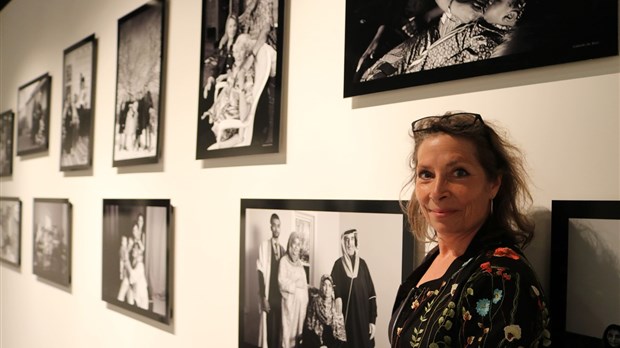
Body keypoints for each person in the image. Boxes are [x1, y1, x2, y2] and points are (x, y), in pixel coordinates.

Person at [388, 112, 551, 347]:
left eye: (459, 173)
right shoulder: (440, 255)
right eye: (426, 174)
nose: (436, 191)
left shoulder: (499, 278)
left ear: (493, 183)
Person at [362, 0, 526, 81]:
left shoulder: (484, 44)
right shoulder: (476, 20)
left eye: (494, 1)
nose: (486, 0)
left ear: (510, 16)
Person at [330, 229, 377, 348]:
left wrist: (372, 320)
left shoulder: (363, 264)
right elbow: (332, 288)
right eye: (346, 240)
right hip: (347, 322)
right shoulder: (338, 265)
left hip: (363, 320)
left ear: (355, 241)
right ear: (343, 243)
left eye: (352, 239)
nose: (349, 243)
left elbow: (371, 294)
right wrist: (338, 297)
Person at [257, 213, 286, 348]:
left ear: (280, 228)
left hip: (279, 297)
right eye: (274, 225)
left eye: (278, 225)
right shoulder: (264, 246)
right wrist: (263, 297)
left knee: (278, 331)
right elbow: (260, 272)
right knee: (269, 330)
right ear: (270, 227)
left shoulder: (282, 250)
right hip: (269, 295)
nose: (276, 228)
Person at [279, 231, 309, 348]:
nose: (296, 247)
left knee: (298, 338)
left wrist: (304, 300)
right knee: (287, 337)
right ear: (290, 245)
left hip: (300, 308)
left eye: (298, 244)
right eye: (294, 244)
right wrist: (295, 284)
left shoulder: (300, 265)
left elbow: (304, 286)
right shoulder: (283, 261)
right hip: (289, 307)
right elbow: (282, 282)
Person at [303, 274, 347, 348]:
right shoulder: (315, 302)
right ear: (321, 286)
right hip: (317, 341)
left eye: (330, 286)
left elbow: (341, 335)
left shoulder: (336, 305)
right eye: (324, 285)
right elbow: (309, 328)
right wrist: (319, 346)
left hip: (333, 343)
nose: (327, 289)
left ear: (332, 288)